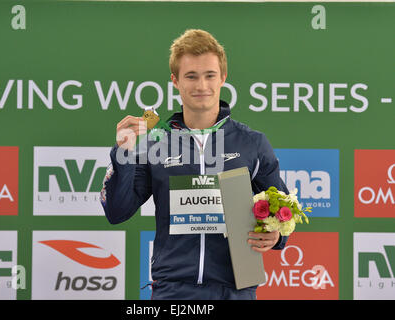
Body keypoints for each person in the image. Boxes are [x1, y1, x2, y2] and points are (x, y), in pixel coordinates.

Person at [101, 29, 289, 300]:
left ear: (223, 77)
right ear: (175, 81)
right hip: (173, 291)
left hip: (234, 290)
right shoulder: (154, 144)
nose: (201, 86)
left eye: (209, 75)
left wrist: (275, 236)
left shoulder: (252, 143)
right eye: (191, 76)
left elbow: (281, 209)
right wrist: (123, 154)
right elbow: (116, 211)